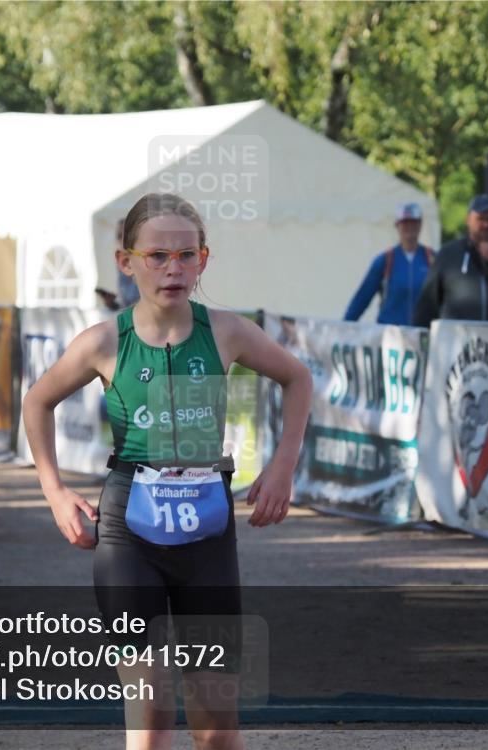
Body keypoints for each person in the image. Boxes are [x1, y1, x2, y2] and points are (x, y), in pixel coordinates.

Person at [22, 193, 312, 750]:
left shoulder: (226, 331)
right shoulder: (105, 342)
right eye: (156, 255)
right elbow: (37, 402)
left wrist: (283, 465)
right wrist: (55, 492)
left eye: (185, 255)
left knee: (216, 731)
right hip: (129, 531)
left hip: (208, 530)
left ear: (204, 260)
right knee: (152, 722)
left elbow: (297, 378)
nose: (172, 269)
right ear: (126, 261)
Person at [413, 194, 488, 327]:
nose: (486, 224)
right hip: (457, 340)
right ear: (468, 220)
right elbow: (428, 302)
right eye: (481, 219)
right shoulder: (448, 254)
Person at [343, 202, 434, 326]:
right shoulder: (385, 260)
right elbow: (362, 298)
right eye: (405, 223)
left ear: (420, 225)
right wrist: (344, 327)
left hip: (422, 336)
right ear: (397, 226)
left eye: (413, 222)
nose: (409, 227)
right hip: (391, 335)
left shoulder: (432, 259)